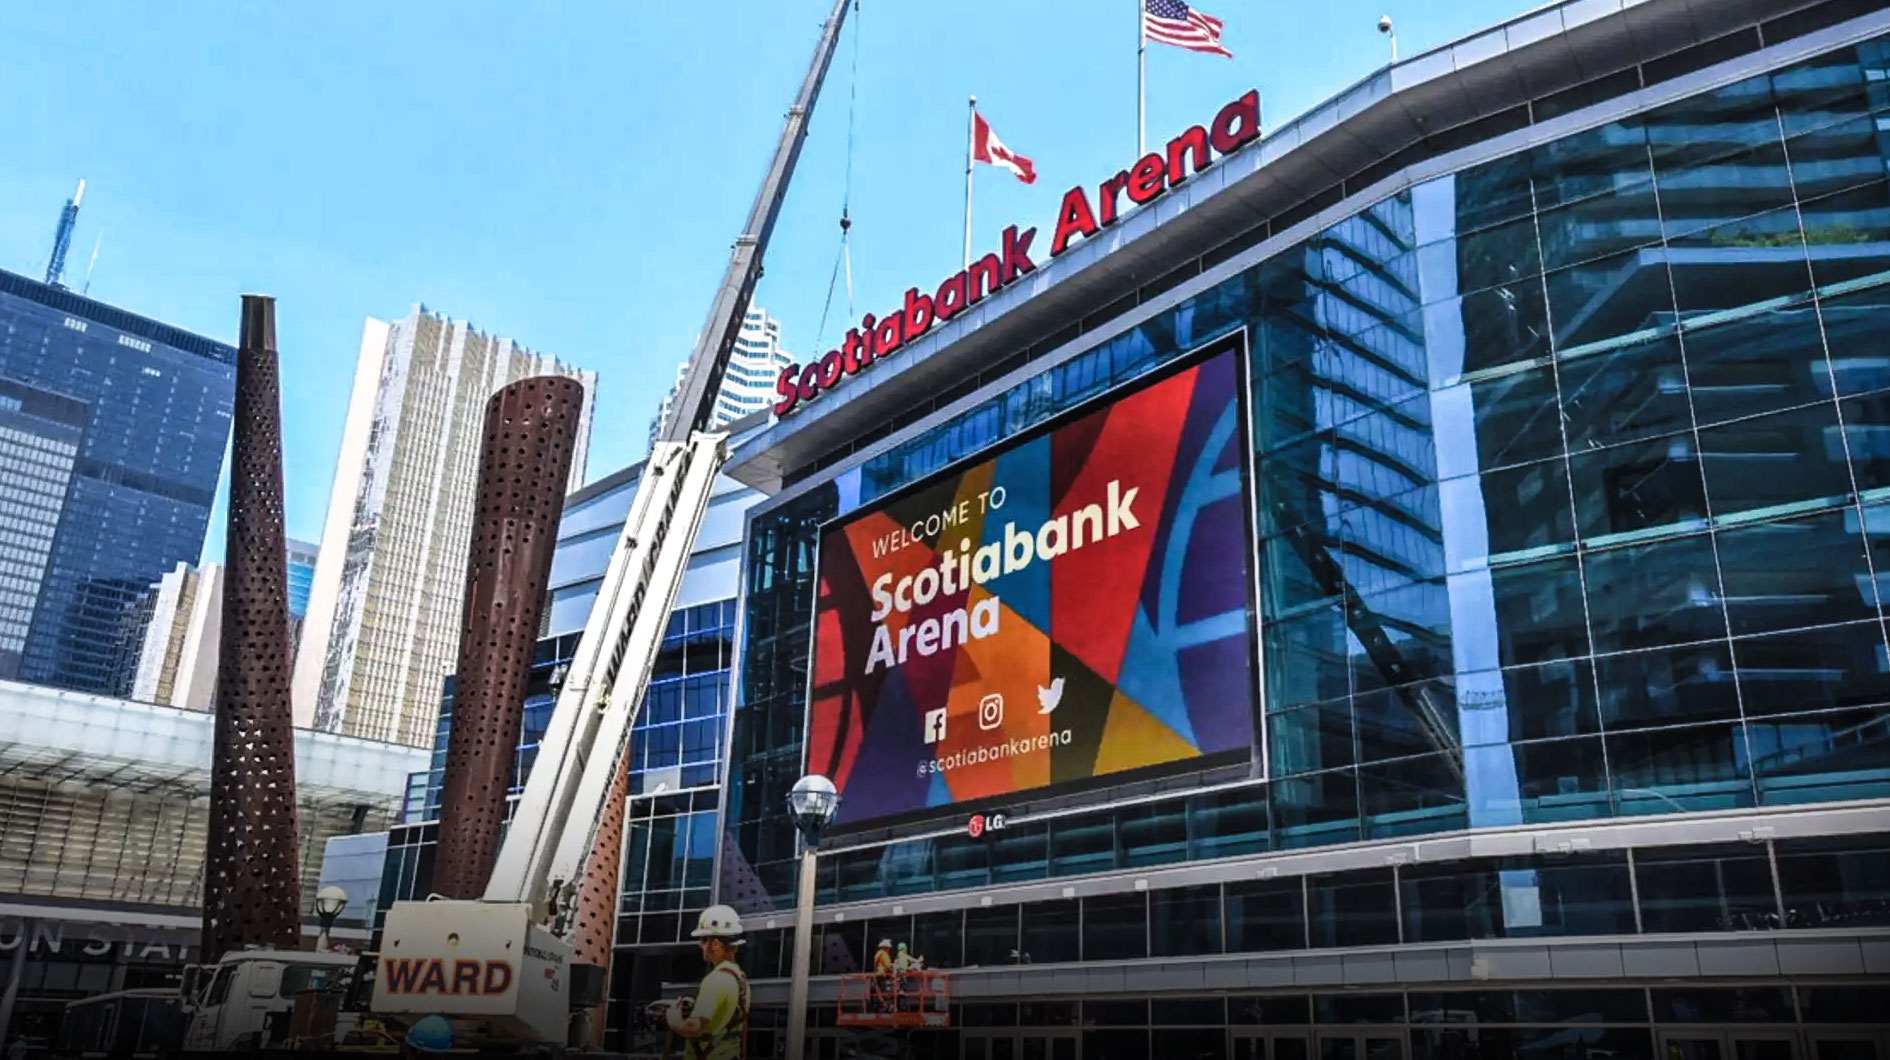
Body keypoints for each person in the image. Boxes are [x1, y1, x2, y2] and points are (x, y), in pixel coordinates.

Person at [665, 905, 751, 1060]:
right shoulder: (740, 979)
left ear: (716, 944)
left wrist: (674, 1021)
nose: (700, 945)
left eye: (704, 939)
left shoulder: (716, 980)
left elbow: (696, 1027)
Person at [871, 938, 896, 1012]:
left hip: (878, 974)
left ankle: (879, 1006)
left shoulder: (878, 953)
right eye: (889, 948)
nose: (889, 950)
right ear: (886, 948)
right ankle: (886, 1006)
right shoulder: (884, 954)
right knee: (885, 992)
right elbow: (888, 965)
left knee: (878, 992)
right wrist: (894, 968)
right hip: (882, 975)